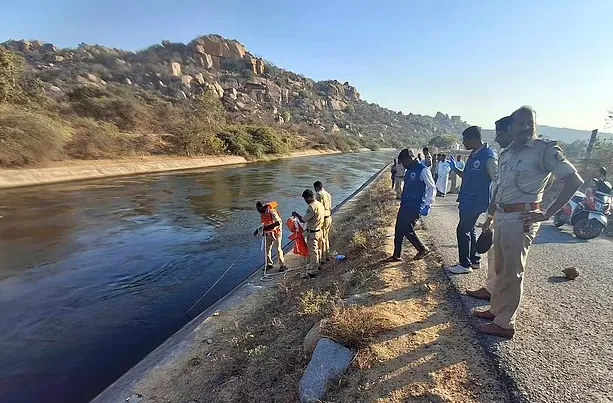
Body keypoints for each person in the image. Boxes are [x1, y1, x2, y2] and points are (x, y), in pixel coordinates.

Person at [474, 106, 583, 339]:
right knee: (500, 268)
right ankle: (496, 311)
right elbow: (501, 185)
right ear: (511, 128)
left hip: (521, 218)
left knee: (513, 271)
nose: (525, 128)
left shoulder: (545, 150)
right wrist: (492, 209)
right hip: (503, 216)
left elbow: (573, 180)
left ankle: (505, 324)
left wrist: (548, 212)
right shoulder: (506, 153)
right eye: (520, 124)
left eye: (529, 123)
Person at [466, 115, 513, 301]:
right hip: (498, 210)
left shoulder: (493, 157)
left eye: (499, 134)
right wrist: (491, 214)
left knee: (511, 263)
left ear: (511, 132)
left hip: (515, 214)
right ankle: (491, 290)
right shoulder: (506, 155)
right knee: (494, 254)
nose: (496, 138)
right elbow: (498, 186)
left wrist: (543, 211)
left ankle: (503, 307)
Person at [446, 126, 497, 274]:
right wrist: (455, 169)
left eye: (465, 139)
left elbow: (497, 180)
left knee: (462, 229)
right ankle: (474, 260)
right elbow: (468, 176)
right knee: (470, 229)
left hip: (476, 201)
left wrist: (494, 204)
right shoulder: (474, 155)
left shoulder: (488, 157)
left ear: (473, 139)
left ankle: (464, 264)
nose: (463, 143)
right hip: (467, 199)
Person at [386, 148, 436, 262]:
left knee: (406, 228)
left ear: (410, 159)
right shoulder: (409, 170)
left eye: (403, 162)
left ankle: (422, 249)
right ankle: (396, 255)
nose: (402, 165)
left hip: (416, 205)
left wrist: (428, 204)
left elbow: (431, 188)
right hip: (405, 204)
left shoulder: (423, 170)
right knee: (398, 229)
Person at [292, 189, 326, 278]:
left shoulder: (311, 207)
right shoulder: (319, 204)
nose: (305, 201)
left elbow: (303, 219)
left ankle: (313, 271)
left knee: (313, 252)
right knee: (318, 250)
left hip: (313, 233)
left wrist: (296, 215)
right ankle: (316, 265)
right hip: (319, 230)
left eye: (306, 199)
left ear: (310, 197)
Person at [254, 201, 287, 272]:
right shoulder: (262, 214)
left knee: (278, 249)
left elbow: (278, 222)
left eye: (259, 209)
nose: (259, 211)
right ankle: (269, 264)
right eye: (258, 210)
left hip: (276, 233)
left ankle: (282, 265)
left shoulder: (272, 212)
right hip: (268, 233)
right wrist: (258, 230)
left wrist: (268, 228)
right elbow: (264, 224)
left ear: (263, 207)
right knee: (267, 249)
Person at [314, 181, 332, 263]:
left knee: (322, 239)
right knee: (326, 237)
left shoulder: (319, 195)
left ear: (316, 187)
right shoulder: (328, 194)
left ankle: (322, 259)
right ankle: (327, 255)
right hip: (329, 217)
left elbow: (319, 208)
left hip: (323, 218)